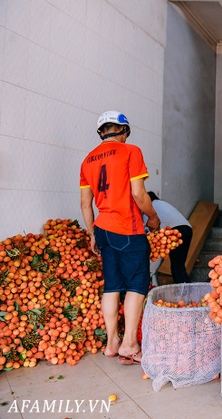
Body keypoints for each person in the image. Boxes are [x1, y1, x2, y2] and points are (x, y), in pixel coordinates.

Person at [80, 110, 160, 366]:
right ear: (124, 131)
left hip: (102, 227)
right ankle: (129, 344)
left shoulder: (87, 160)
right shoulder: (131, 151)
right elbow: (139, 194)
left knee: (112, 285)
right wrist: (154, 217)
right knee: (136, 284)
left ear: (101, 133)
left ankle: (111, 342)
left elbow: (85, 204)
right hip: (128, 227)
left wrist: (92, 233)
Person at [146, 192, 193, 284]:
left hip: (175, 231)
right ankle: (186, 288)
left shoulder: (149, 208)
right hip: (187, 228)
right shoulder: (162, 203)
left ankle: (185, 291)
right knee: (179, 265)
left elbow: (146, 230)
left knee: (177, 267)